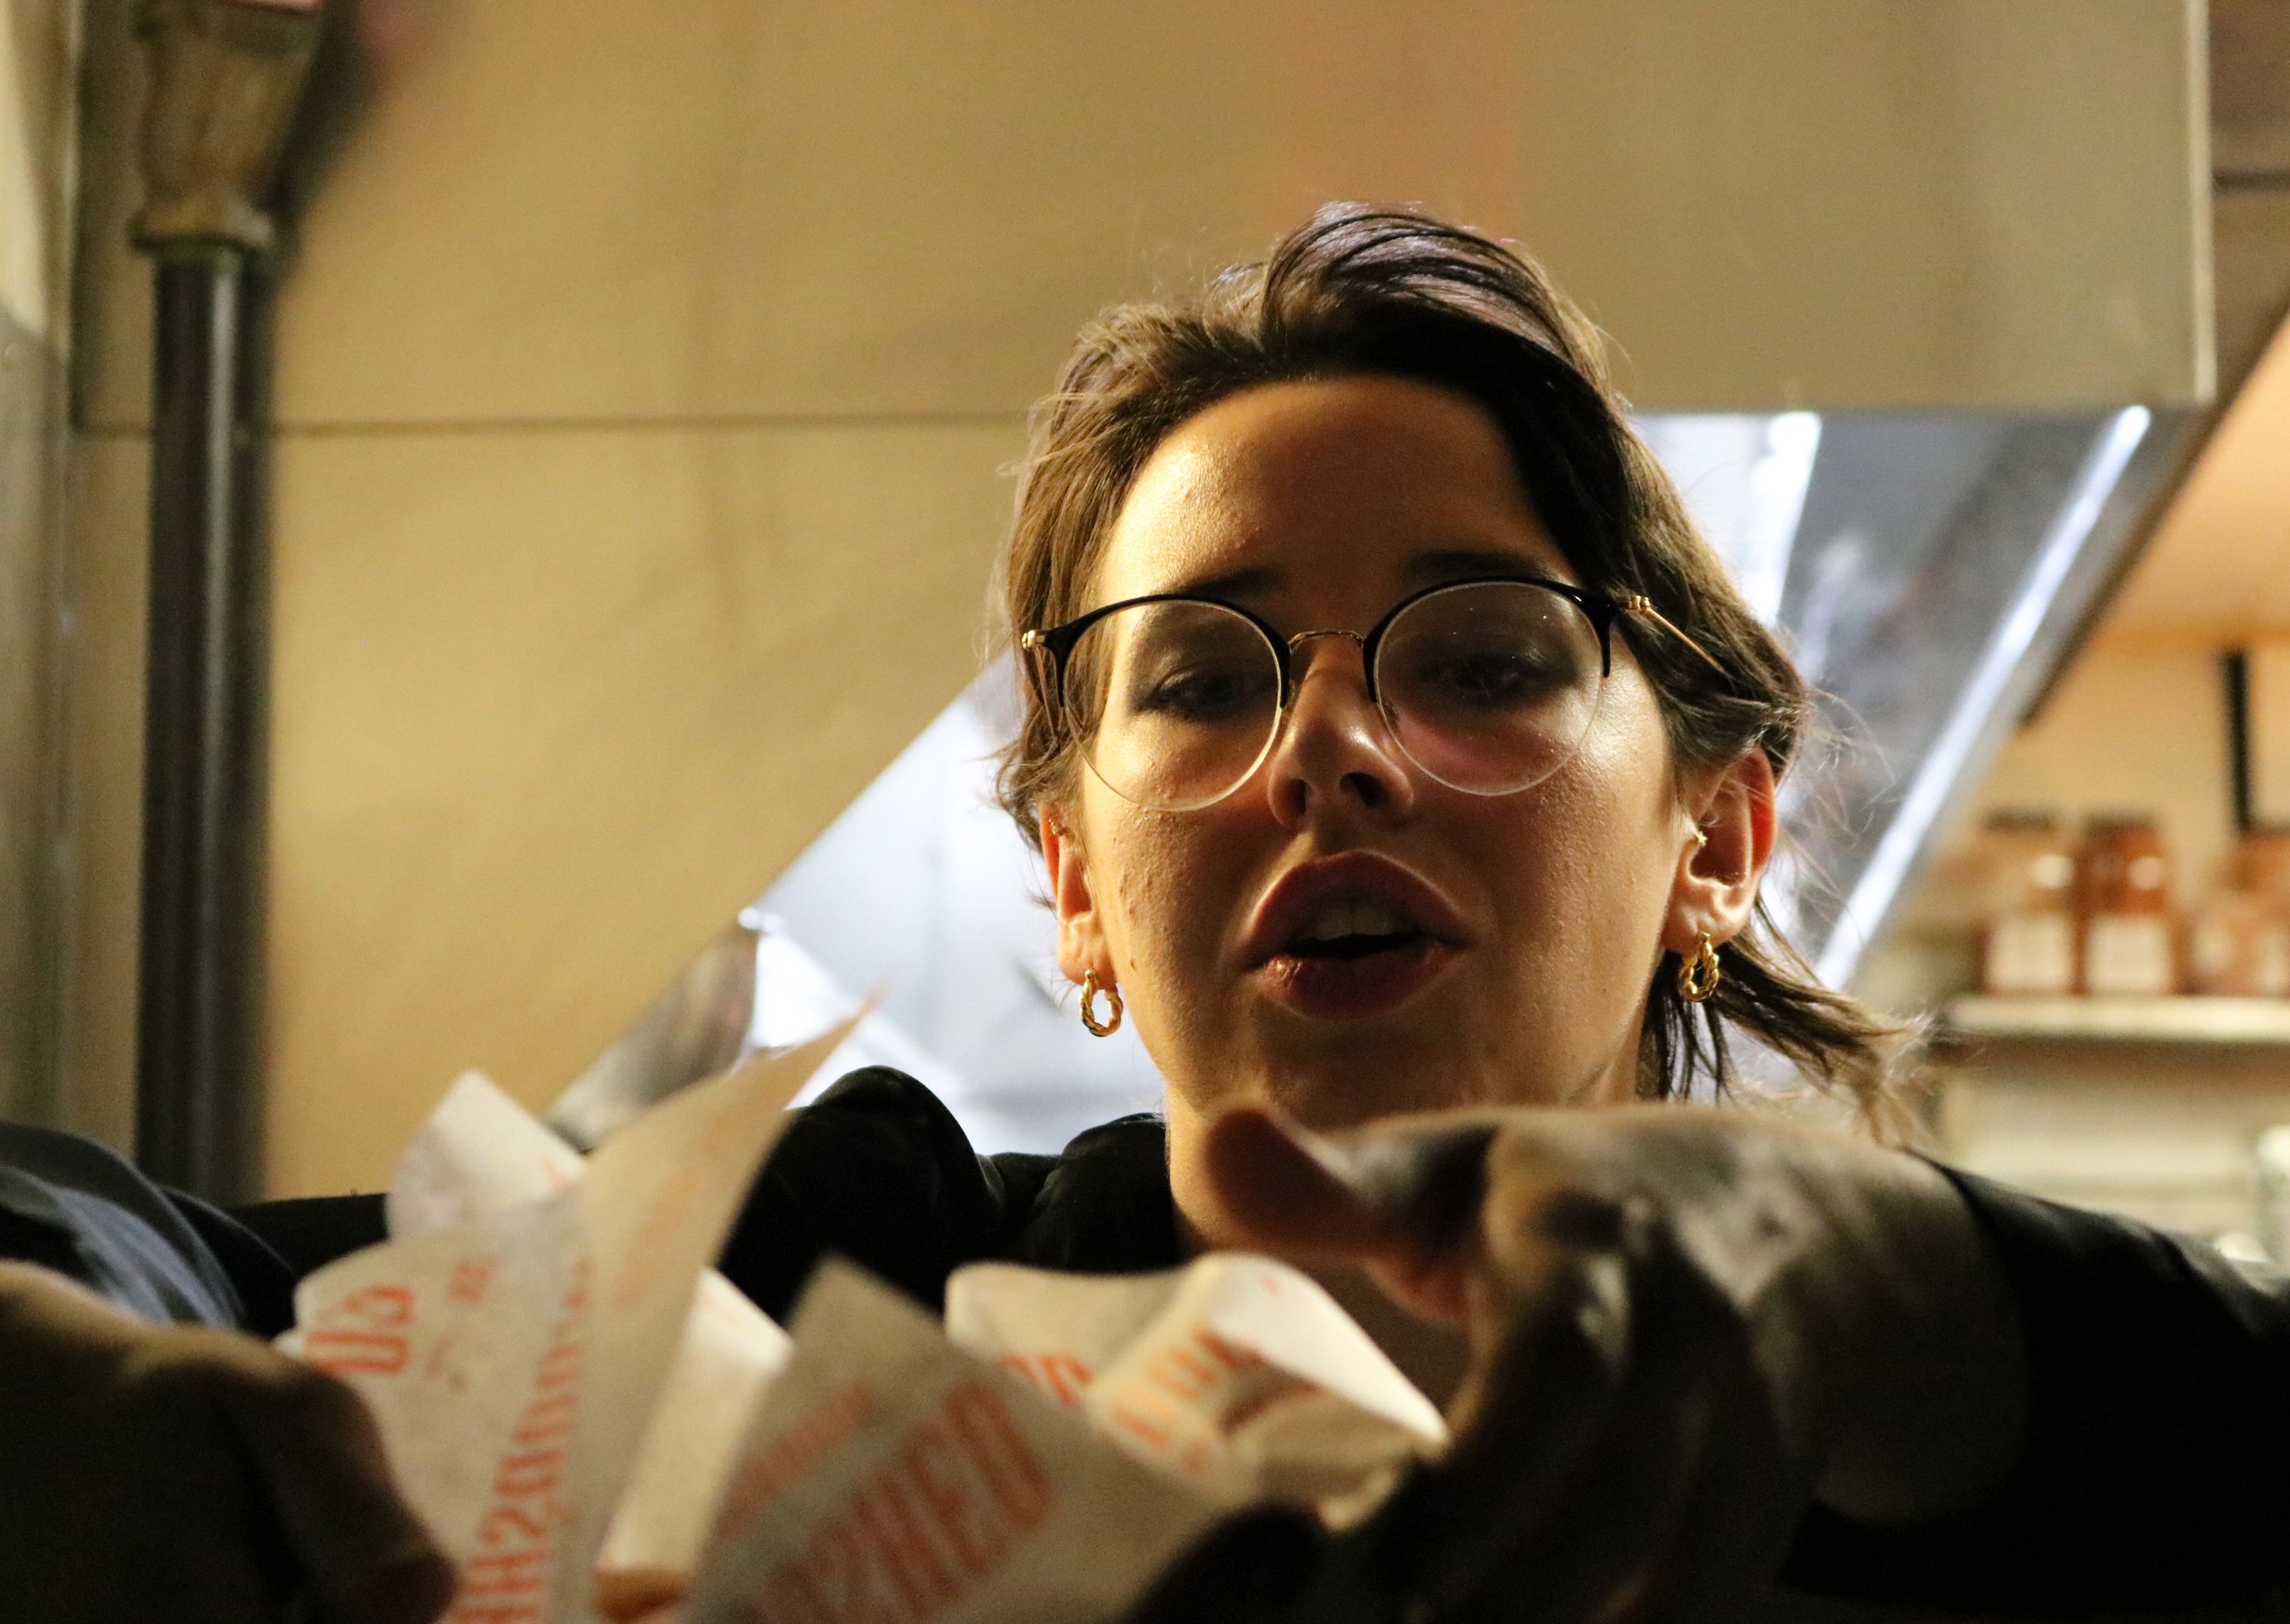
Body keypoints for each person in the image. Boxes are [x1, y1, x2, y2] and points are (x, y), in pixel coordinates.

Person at [3, 205, 2285, 1623]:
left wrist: (1888, 1287)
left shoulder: (1956, 1424)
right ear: (1079, 887)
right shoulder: (857, 1289)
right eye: (1196, 679)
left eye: (1484, 659)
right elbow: (140, 1250)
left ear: (1714, 833)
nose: (1329, 749)